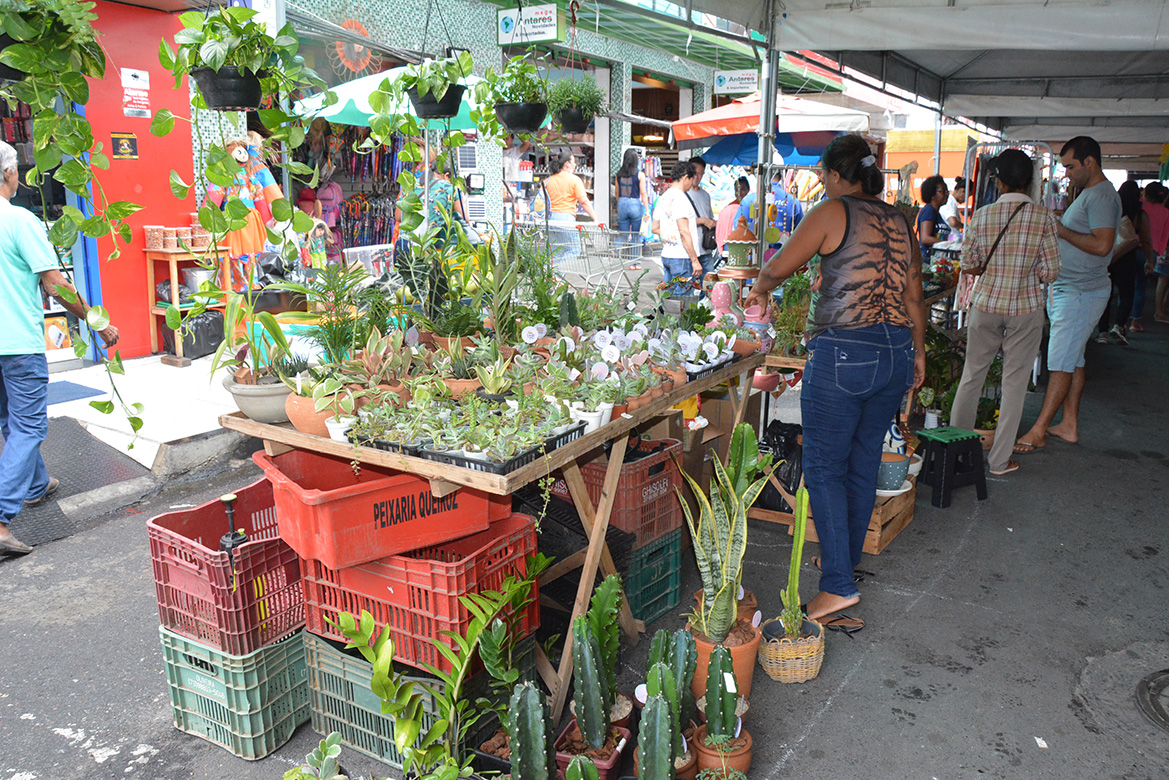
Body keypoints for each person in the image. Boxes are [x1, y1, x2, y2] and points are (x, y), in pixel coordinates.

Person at [745, 134, 927, 629]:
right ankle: (840, 561)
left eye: (824, 174)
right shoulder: (899, 221)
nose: (822, 182)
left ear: (840, 174)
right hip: (894, 352)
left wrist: (758, 290)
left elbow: (778, 267)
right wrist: (920, 351)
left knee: (824, 466)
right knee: (863, 460)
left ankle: (838, 589)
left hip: (846, 349)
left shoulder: (834, 212)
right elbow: (914, 296)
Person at [0, 140, 120, 555]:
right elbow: (56, 282)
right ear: (9, 174)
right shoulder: (18, 221)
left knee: (8, 421)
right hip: (16, 343)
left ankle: (34, 485)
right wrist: (97, 324)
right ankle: (0, 520)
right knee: (29, 425)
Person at [950, 150, 1060, 477]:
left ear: (997, 180)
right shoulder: (1044, 218)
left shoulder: (982, 216)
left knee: (972, 376)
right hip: (1025, 308)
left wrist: (991, 268)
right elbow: (1051, 271)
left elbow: (968, 264)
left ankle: (954, 455)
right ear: (1029, 180)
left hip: (985, 306)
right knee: (1014, 384)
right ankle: (998, 462)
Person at [1016, 136, 1120, 452]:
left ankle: (1039, 429)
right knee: (1073, 359)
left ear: (1090, 162)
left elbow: (1103, 246)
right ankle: (1069, 423)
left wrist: (1060, 230)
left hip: (1079, 293)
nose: (1067, 174)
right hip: (1075, 290)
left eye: (1071, 166)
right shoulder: (1091, 194)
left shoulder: (1101, 197)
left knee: (1060, 361)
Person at [1096, 180, 1153, 345]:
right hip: (1128, 257)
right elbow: (1147, 240)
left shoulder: (1111, 211)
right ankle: (1119, 326)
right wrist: (1149, 260)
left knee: (1106, 294)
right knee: (1127, 293)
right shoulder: (1140, 215)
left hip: (1108, 255)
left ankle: (1102, 332)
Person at [651, 160, 702, 295]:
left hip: (667, 255)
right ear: (686, 177)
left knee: (668, 299)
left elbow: (654, 227)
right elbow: (684, 232)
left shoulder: (663, 198)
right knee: (682, 301)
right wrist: (695, 261)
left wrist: (669, 234)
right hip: (681, 257)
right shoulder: (681, 198)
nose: (691, 184)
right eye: (691, 180)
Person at [543, 151, 600, 263]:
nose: (575, 165)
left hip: (551, 219)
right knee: (574, 250)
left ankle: (554, 277)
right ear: (567, 164)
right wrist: (595, 218)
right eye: (574, 162)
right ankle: (557, 274)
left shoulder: (548, 180)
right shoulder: (574, 180)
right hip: (566, 220)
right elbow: (583, 201)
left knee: (556, 252)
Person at [737, 169, 803, 246]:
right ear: (781, 176)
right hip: (784, 254)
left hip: (754, 254)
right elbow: (802, 234)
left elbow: (737, 229)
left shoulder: (748, 200)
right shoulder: (793, 201)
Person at [613, 148, 649, 258]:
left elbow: (617, 192)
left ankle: (615, 249)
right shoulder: (640, 175)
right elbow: (643, 193)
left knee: (624, 233)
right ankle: (634, 262)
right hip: (635, 204)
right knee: (635, 235)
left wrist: (621, 203)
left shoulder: (618, 175)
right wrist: (647, 210)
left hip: (622, 203)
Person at [686, 157, 719, 276]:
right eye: (694, 173)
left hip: (706, 248)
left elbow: (710, 217)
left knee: (709, 285)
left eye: (700, 174)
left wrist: (714, 222)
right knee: (690, 286)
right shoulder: (682, 194)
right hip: (690, 251)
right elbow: (678, 223)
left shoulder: (705, 195)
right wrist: (702, 221)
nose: (697, 177)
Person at [1143, 182, 1169, 323]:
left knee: (1133, 285)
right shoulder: (1166, 212)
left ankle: (1128, 320)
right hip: (1153, 250)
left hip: (1134, 247)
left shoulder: (1142, 207)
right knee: (1142, 285)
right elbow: (1165, 234)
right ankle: (1160, 311)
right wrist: (1160, 251)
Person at [916, 175, 951, 263]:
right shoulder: (929, 210)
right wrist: (949, 244)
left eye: (947, 191)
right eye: (942, 191)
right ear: (932, 194)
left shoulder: (935, 212)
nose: (947, 194)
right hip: (929, 261)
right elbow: (925, 238)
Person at [717, 177, 751, 253]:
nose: (739, 193)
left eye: (742, 189)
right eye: (737, 190)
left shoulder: (749, 206)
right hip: (730, 244)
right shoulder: (730, 208)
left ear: (748, 189)